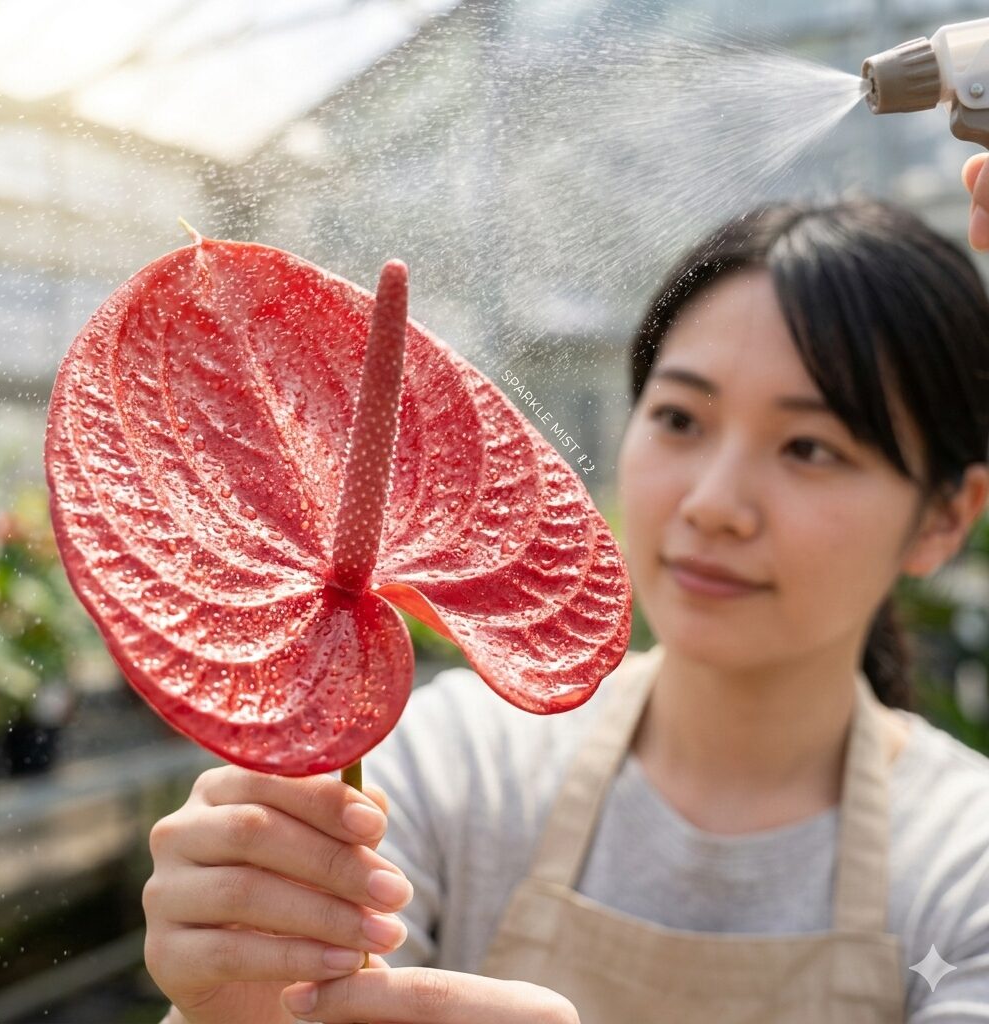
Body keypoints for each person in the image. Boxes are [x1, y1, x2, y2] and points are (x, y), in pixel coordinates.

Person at [143, 160, 989, 1024]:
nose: (712, 504)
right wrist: (242, 1009)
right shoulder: (453, 764)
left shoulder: (969, 865)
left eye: (810, 448)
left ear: (945, 518)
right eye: (680, 419)